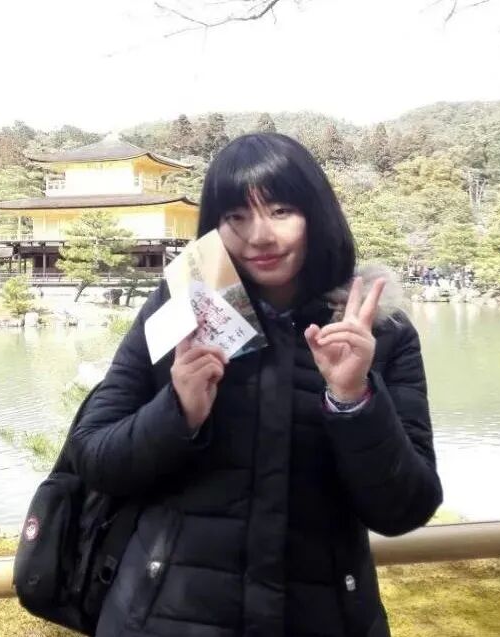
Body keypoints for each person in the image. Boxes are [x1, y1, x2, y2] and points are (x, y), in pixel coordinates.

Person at [69, 133, 442, 637]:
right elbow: (93, 457)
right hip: (160, 619)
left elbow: (405, 509)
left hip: (326, 619)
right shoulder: (181, 309)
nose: (259, 236)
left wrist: (353, 400)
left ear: (318, 215)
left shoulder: (378, 331)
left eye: (281, 211)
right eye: (236, 217)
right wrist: (177, 411)